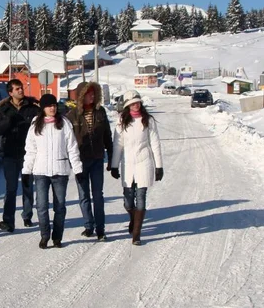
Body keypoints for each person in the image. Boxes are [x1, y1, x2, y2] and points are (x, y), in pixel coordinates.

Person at [22, 94, 83, 249]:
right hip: (40, 172)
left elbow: (72, 148)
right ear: (43, 108)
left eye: (54, 105)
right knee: (41, 206)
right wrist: (26, 171)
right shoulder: (36, 124)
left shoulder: (64, 123)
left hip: (60, 171)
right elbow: (31, 150)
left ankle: (57, 237)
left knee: (60, 206)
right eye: (49, 106)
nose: (52, 108)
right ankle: (45, 236)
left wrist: (78, 169)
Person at [109, 90, 164, 246]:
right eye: (133, 103)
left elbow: (155, 144)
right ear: (127, 106)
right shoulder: (121, 121)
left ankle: (136, 235)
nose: (136, 105)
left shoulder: (148, 121)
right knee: (128, 201)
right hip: (127, 164)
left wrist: (159, 166)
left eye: (138, 102)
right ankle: (134, 218)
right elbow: (118, 145)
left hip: (143, 162)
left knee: (140, 198)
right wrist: (114, 165)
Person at [0, 79, 40, 233]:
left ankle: (27, 215)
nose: (21, 90)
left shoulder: (32, 108)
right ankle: (8, 221)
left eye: (21, 88)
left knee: (27, 187)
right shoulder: (4, 109)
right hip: (10, 154)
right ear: (10, 92)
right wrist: (8, 122)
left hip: (28, 154)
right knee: (11, 188)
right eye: (17, 89)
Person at [66, 81, 113, 241]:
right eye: (88, 93)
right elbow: (67, 140)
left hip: (97, 159)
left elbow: (107, 135)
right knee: (83, 195)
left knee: (98, 195)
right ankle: (88, 225)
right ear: (81, 96)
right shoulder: (71, 116)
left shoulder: (100, 112)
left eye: (94, 93)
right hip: (80, 161)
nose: (92, 96)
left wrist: (111, 158)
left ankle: (100, 229)